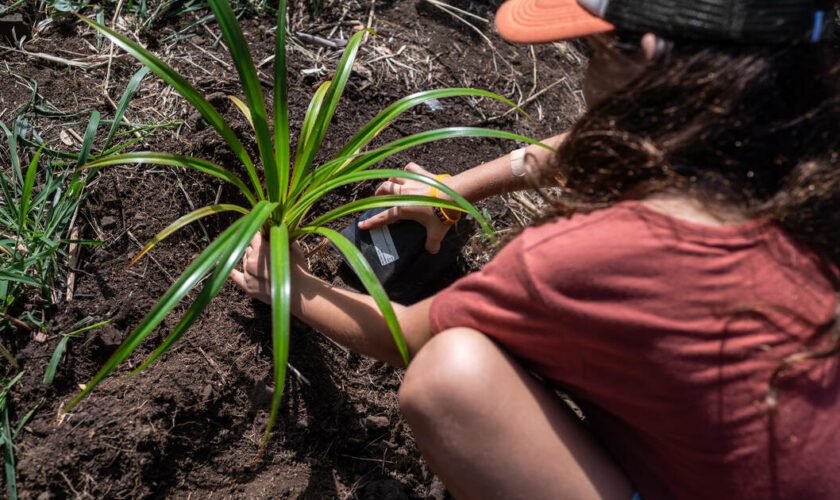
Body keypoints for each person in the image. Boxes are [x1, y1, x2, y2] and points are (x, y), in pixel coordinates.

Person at [231, 0, 840, 498]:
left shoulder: (597, 257)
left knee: (451, 378)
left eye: (591, 50)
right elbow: (615, 134)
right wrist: (454, 193)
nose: (583, 73)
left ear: (649, 58)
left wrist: (289, 284)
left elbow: (404, 336)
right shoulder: (806, 150)